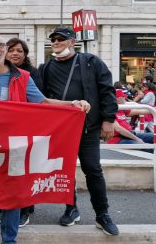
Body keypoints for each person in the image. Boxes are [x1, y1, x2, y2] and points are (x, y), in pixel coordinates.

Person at [0, 35, 90, 244]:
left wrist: (71, 104)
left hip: (14, 145)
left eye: (0, 45)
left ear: (5, 50)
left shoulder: (23, 76)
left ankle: (9, 240)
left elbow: (43, 102)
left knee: (13, 194)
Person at [38, 26, 119, 236]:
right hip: (61, 130)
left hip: (88, 129)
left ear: (72, 41)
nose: (55, 42)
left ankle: (103, 214)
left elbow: (107, 91)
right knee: (64, 172)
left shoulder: (91, 62)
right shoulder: (46, 67)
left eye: (60, 39)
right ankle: (71, 209)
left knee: (93, 170)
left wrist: (108, 120)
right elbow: (43, 98)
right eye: (53, 39)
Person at [5, 37, 41, 227]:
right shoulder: (1, 72)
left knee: (24, 170)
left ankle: (25, 209)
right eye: (11, 50)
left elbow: (41, 101)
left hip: (27, 128)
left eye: (19, 50)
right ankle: (9, 205)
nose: (15, 53)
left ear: (25, 53)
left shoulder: (32, 74)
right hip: (6, 129)